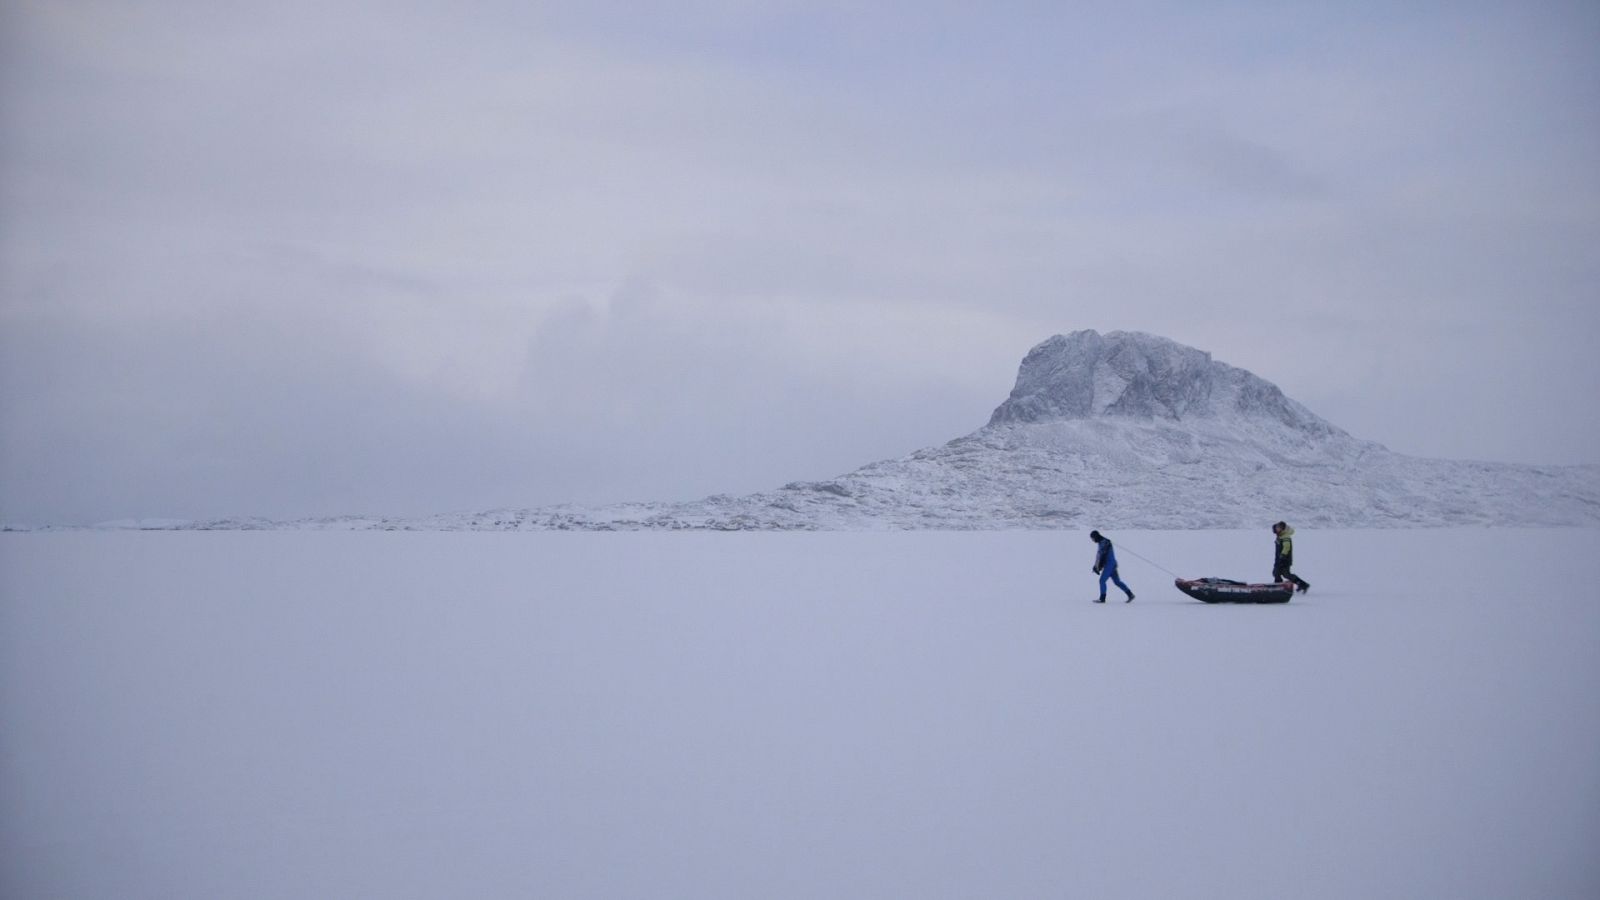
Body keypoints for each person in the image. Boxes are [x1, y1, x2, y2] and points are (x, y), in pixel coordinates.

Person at [1089, 530, 1134, 603]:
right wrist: (1096, 566)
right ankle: (1130, 594)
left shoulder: (1104, 543)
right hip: (1112, 564)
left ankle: (1102, 599)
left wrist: (1098, 567)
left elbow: (1102, 556)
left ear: (1096, 537)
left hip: (1109, 565)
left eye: (1092, 538)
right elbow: (1100, 556)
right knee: (1117, 582)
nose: (1092, 540)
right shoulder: (1102, 542)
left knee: (1102, 581)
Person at [1271, 521, 1311, 593]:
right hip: (1279, 558)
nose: (1277, 529)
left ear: (1282, 528)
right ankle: (1280, 585)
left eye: (1278, 528)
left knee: (1284, 573)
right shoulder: (1280, 536)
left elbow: (1287, 547)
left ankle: (1279, 586)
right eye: (1276, 528)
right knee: (1277, 572)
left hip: (1284, 559)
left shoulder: (1285, 537)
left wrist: (1282, 556)